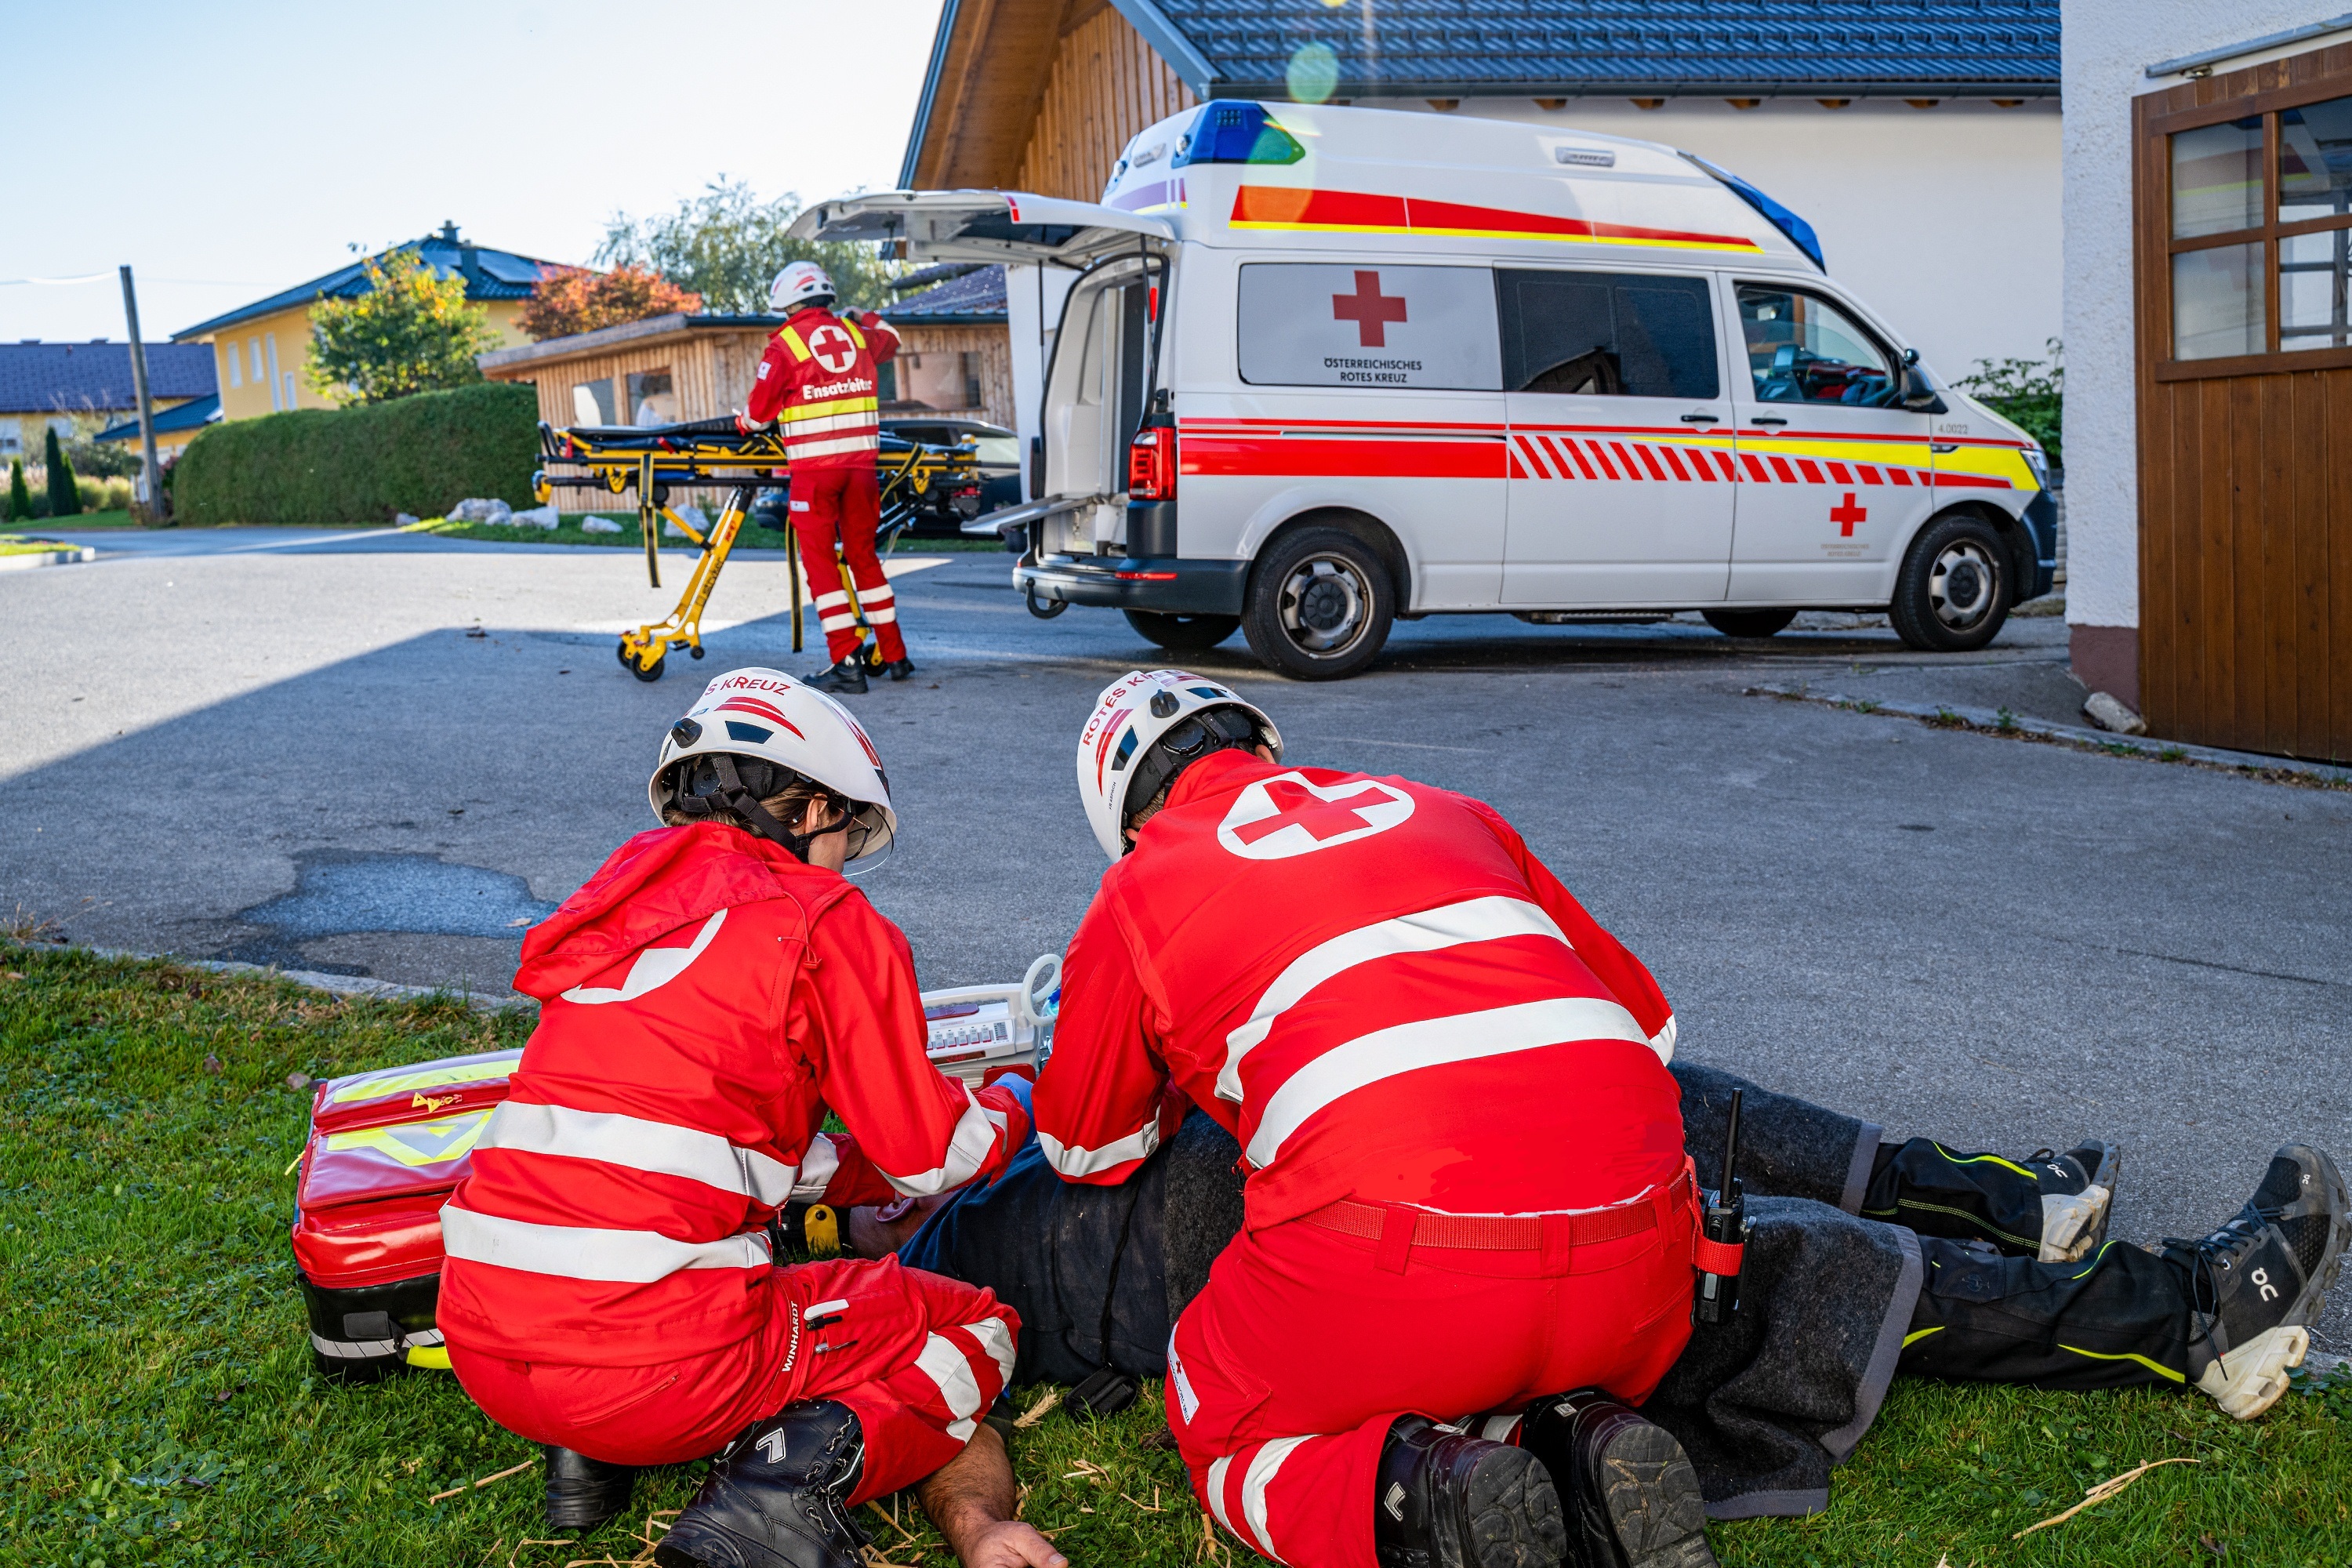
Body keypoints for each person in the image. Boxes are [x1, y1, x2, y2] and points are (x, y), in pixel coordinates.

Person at [992, 668, 2349, 1568]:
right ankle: (2150, 1291)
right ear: (1263, 742)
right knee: (1799, 1247)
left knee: (1215, 1410)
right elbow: (1649, 1035)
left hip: (1392, 1282)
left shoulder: (1138, 895)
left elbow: (1089, 1147)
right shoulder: (1443, 807)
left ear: (1125, 819)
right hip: (1645, 1279)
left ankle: (1426, 1503)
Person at [436, 668, 1059, 1568]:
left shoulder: (616, 913)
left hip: (484, 1340)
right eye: (846, 830)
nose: (843, 858)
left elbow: (701, 1141)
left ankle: (586, 1457)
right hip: (652, 1367)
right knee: (980, 1325)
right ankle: (780, 1492)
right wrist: (1022, 1103)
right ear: (813, 808)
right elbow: (935, 1154)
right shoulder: (822, 917)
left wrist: (856, 1181)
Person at [739, 260, 910, 695]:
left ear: (787, 302)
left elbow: (759, 415)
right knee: (863, 557)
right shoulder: (857, 335)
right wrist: (863, 314)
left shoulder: (786, 346)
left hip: (816, 475)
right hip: (862, 471)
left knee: (821, 565)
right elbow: (893, 338)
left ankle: (846, 662)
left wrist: (743, 422)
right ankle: (895, 655)